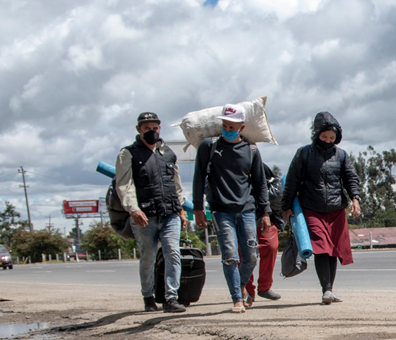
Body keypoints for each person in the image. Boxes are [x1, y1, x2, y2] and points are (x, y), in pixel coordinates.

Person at [194, 104, 270, 314]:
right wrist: (198, 209)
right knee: (229, 255)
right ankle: (237, 298)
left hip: (246, 209)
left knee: (251, 257)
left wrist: (265, 213)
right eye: (225, 125)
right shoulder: (208, 146)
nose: (228, 129)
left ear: (242, 127)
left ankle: (241, 286)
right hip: (220, 210)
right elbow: (198, 177)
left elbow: (260, 184)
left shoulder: (251, 151)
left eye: (232, 126)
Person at [282, 112, 361, 304]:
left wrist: (355, 199)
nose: (327, 141)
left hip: (336, 210)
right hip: (311, 208)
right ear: (316, 134)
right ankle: (326, 290)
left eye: (332, 138)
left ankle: (329, 290)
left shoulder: (341, 155)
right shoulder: (304, 153)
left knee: (332, 250)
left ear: (337, 138)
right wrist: (285, 206)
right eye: (324, 137)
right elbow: (292, 181)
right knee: (321, 248)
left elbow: (351, 178)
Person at [115, 111, 189, 313]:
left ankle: (171, 298)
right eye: (147, 128)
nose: (151, 131)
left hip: (170, 213)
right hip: (144, 216)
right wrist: (133, 209)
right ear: (139, 129)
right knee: (148, 256)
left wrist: (181, 211)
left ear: (160, 128)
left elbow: (177, 185)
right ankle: (148, 297)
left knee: (172, 252)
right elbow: (124, 185)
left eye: (155, 128)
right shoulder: (128, 154)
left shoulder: (168, 154)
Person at [244, 168, 285, 304]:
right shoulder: (230, 163)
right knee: (244, 254)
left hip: (264, 216)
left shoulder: (259, 164)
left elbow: (275, 188)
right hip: (242, 216)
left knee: (271, 246)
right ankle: (247, 289)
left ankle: (264, 287)